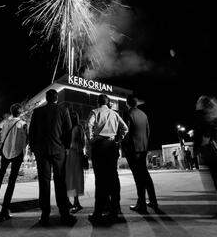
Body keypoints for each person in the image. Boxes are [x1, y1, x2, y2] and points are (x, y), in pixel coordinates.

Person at [28, 89, 76, 226]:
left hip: (41, 152)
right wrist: (66, 147)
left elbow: (31, 132)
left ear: (47, 98)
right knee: (60, 182)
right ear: (57, 98)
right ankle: (64, 214)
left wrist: (34, 149)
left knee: (44, 183)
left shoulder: (37, 112)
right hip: (58, 150)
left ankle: (45, 215)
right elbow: (68, 130)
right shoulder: (63, 110)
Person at [87, 94, 128, 224]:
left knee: (100, 179)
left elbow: (88, 125)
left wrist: (91, 140)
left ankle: (98, 212)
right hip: (111, 146)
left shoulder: (95, 112)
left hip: (99, 146)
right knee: (113, 178)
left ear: (98, 102)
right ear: (108, 102)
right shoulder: (114, 113)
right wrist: (118, 139)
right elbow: (125, 128)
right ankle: (115, 210)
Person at [122, 94, 158, 214]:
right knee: (146, 176)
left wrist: (124, 148)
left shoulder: (127, 113)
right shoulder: (143, 114)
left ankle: (141, 204)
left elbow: (126, 132)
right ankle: (153, 201)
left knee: (138, 177)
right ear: (136, 103)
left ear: (127, 103)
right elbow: (148, 132)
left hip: (133, 150)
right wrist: (146, 146)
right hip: (143, 148)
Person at [0, 103, 27, 221]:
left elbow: (2, 137)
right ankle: (4, 210)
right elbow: (24, 140)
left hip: (6, 151)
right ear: (21, 112)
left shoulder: (6, 123)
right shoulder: (23, 124)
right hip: (17, 153)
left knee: (1, 172)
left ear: (12, 112)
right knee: (12, 181)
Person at [65, 111, 86, 214]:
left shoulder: (72, 129)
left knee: (71, 178)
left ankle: (74, 202)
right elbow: (83, 142)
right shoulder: (80, 128)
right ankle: (76, 201)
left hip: (72, 155)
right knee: (77, 178)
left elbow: (72, 144)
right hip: (79, 154)